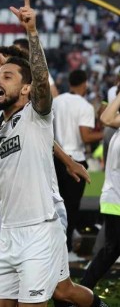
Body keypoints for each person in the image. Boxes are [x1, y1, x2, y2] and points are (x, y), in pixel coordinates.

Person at [0, 0, 90, 306]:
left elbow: (41, 82)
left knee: (57, 294)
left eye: (7, 75)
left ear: (26, 88)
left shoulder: (36, 113)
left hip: (40, 230)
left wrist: (31, 32)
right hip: (9, 232)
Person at [52, 69, 103, 261]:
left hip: (56, 158)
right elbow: (86, 136)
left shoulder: (56, 102)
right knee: (71, 207)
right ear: (85, 84)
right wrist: (107, 130)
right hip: (75, 161)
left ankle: (56, 249)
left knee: (56, 205)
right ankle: (66, 251)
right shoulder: (85, 106)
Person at [82, 91, 120, 289]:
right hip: (114, 198)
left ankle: (84, 289)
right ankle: (84, 290)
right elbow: (106, 118)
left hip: (114, 196)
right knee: (111, 249)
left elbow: (106, 118)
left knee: (111, 249)